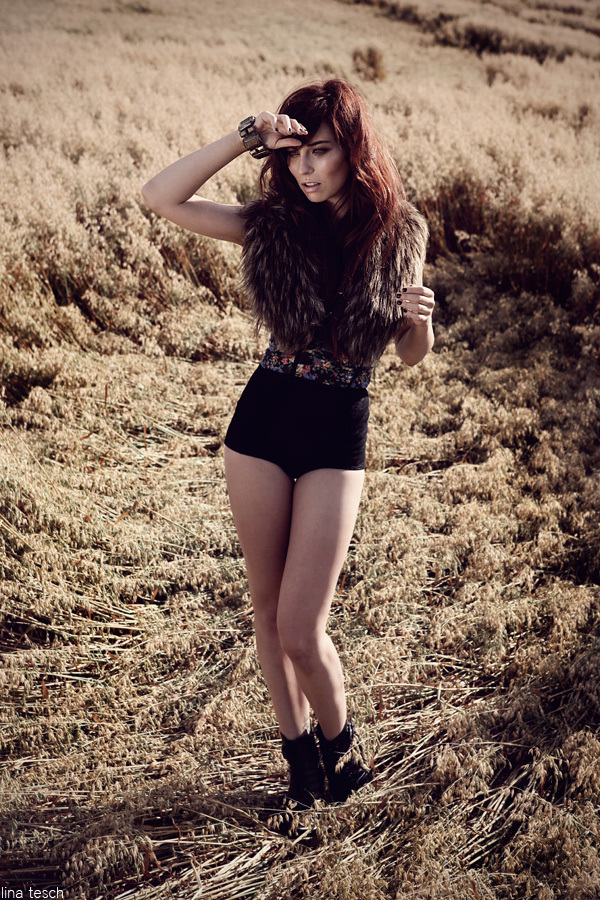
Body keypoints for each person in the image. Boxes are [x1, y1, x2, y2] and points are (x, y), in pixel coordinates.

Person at [141, 78, 434, 830]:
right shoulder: (272, 225)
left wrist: (420, 323)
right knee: (268, 612)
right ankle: (300, 761)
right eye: (294, 154)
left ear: (354, 152)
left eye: (322, 151)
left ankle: (345, 750)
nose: (305, 169)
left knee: (304, 626)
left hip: (339, 426)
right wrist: (248, 134)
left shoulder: (402, 232)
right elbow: (159, 197)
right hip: (264, 422)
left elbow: (410, 356)